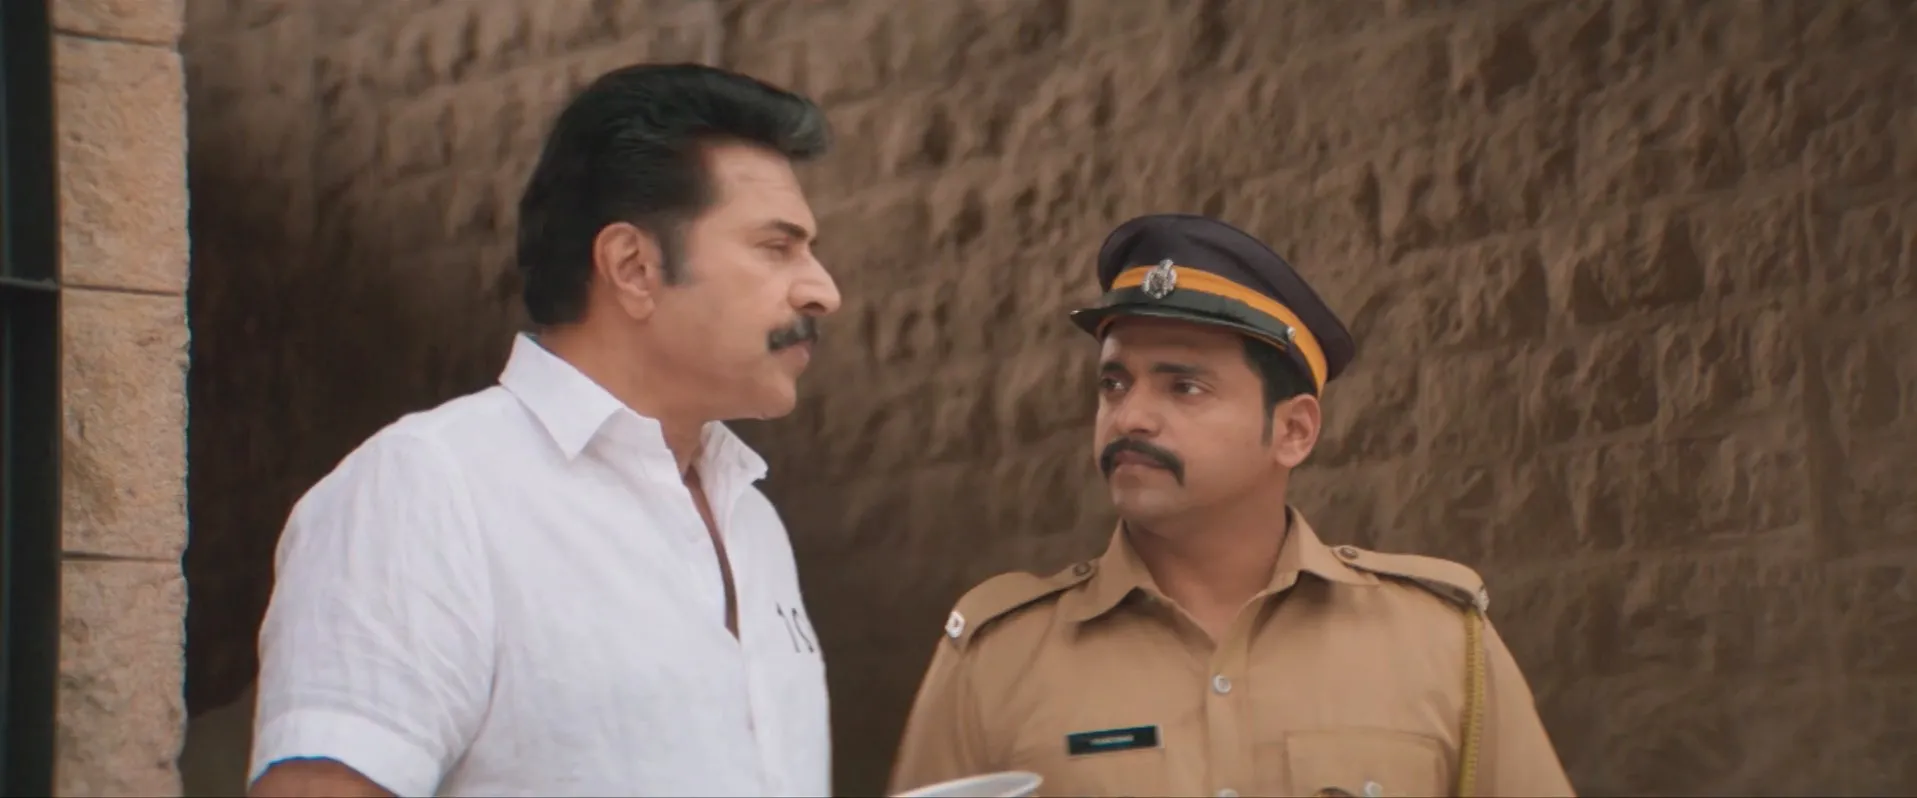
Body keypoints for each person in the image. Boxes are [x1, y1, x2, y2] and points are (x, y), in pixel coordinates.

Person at [246, 64, 841, 798]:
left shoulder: (752, 518)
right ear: (633, 267)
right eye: (777, 247)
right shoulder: (429, 489)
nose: (823, 290)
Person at [887, 214, 1574, 798]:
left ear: (1294, 430)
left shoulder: (1438, 643)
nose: (1130, 416)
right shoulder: (997, 659)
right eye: (1114, 383)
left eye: (1183, 387)